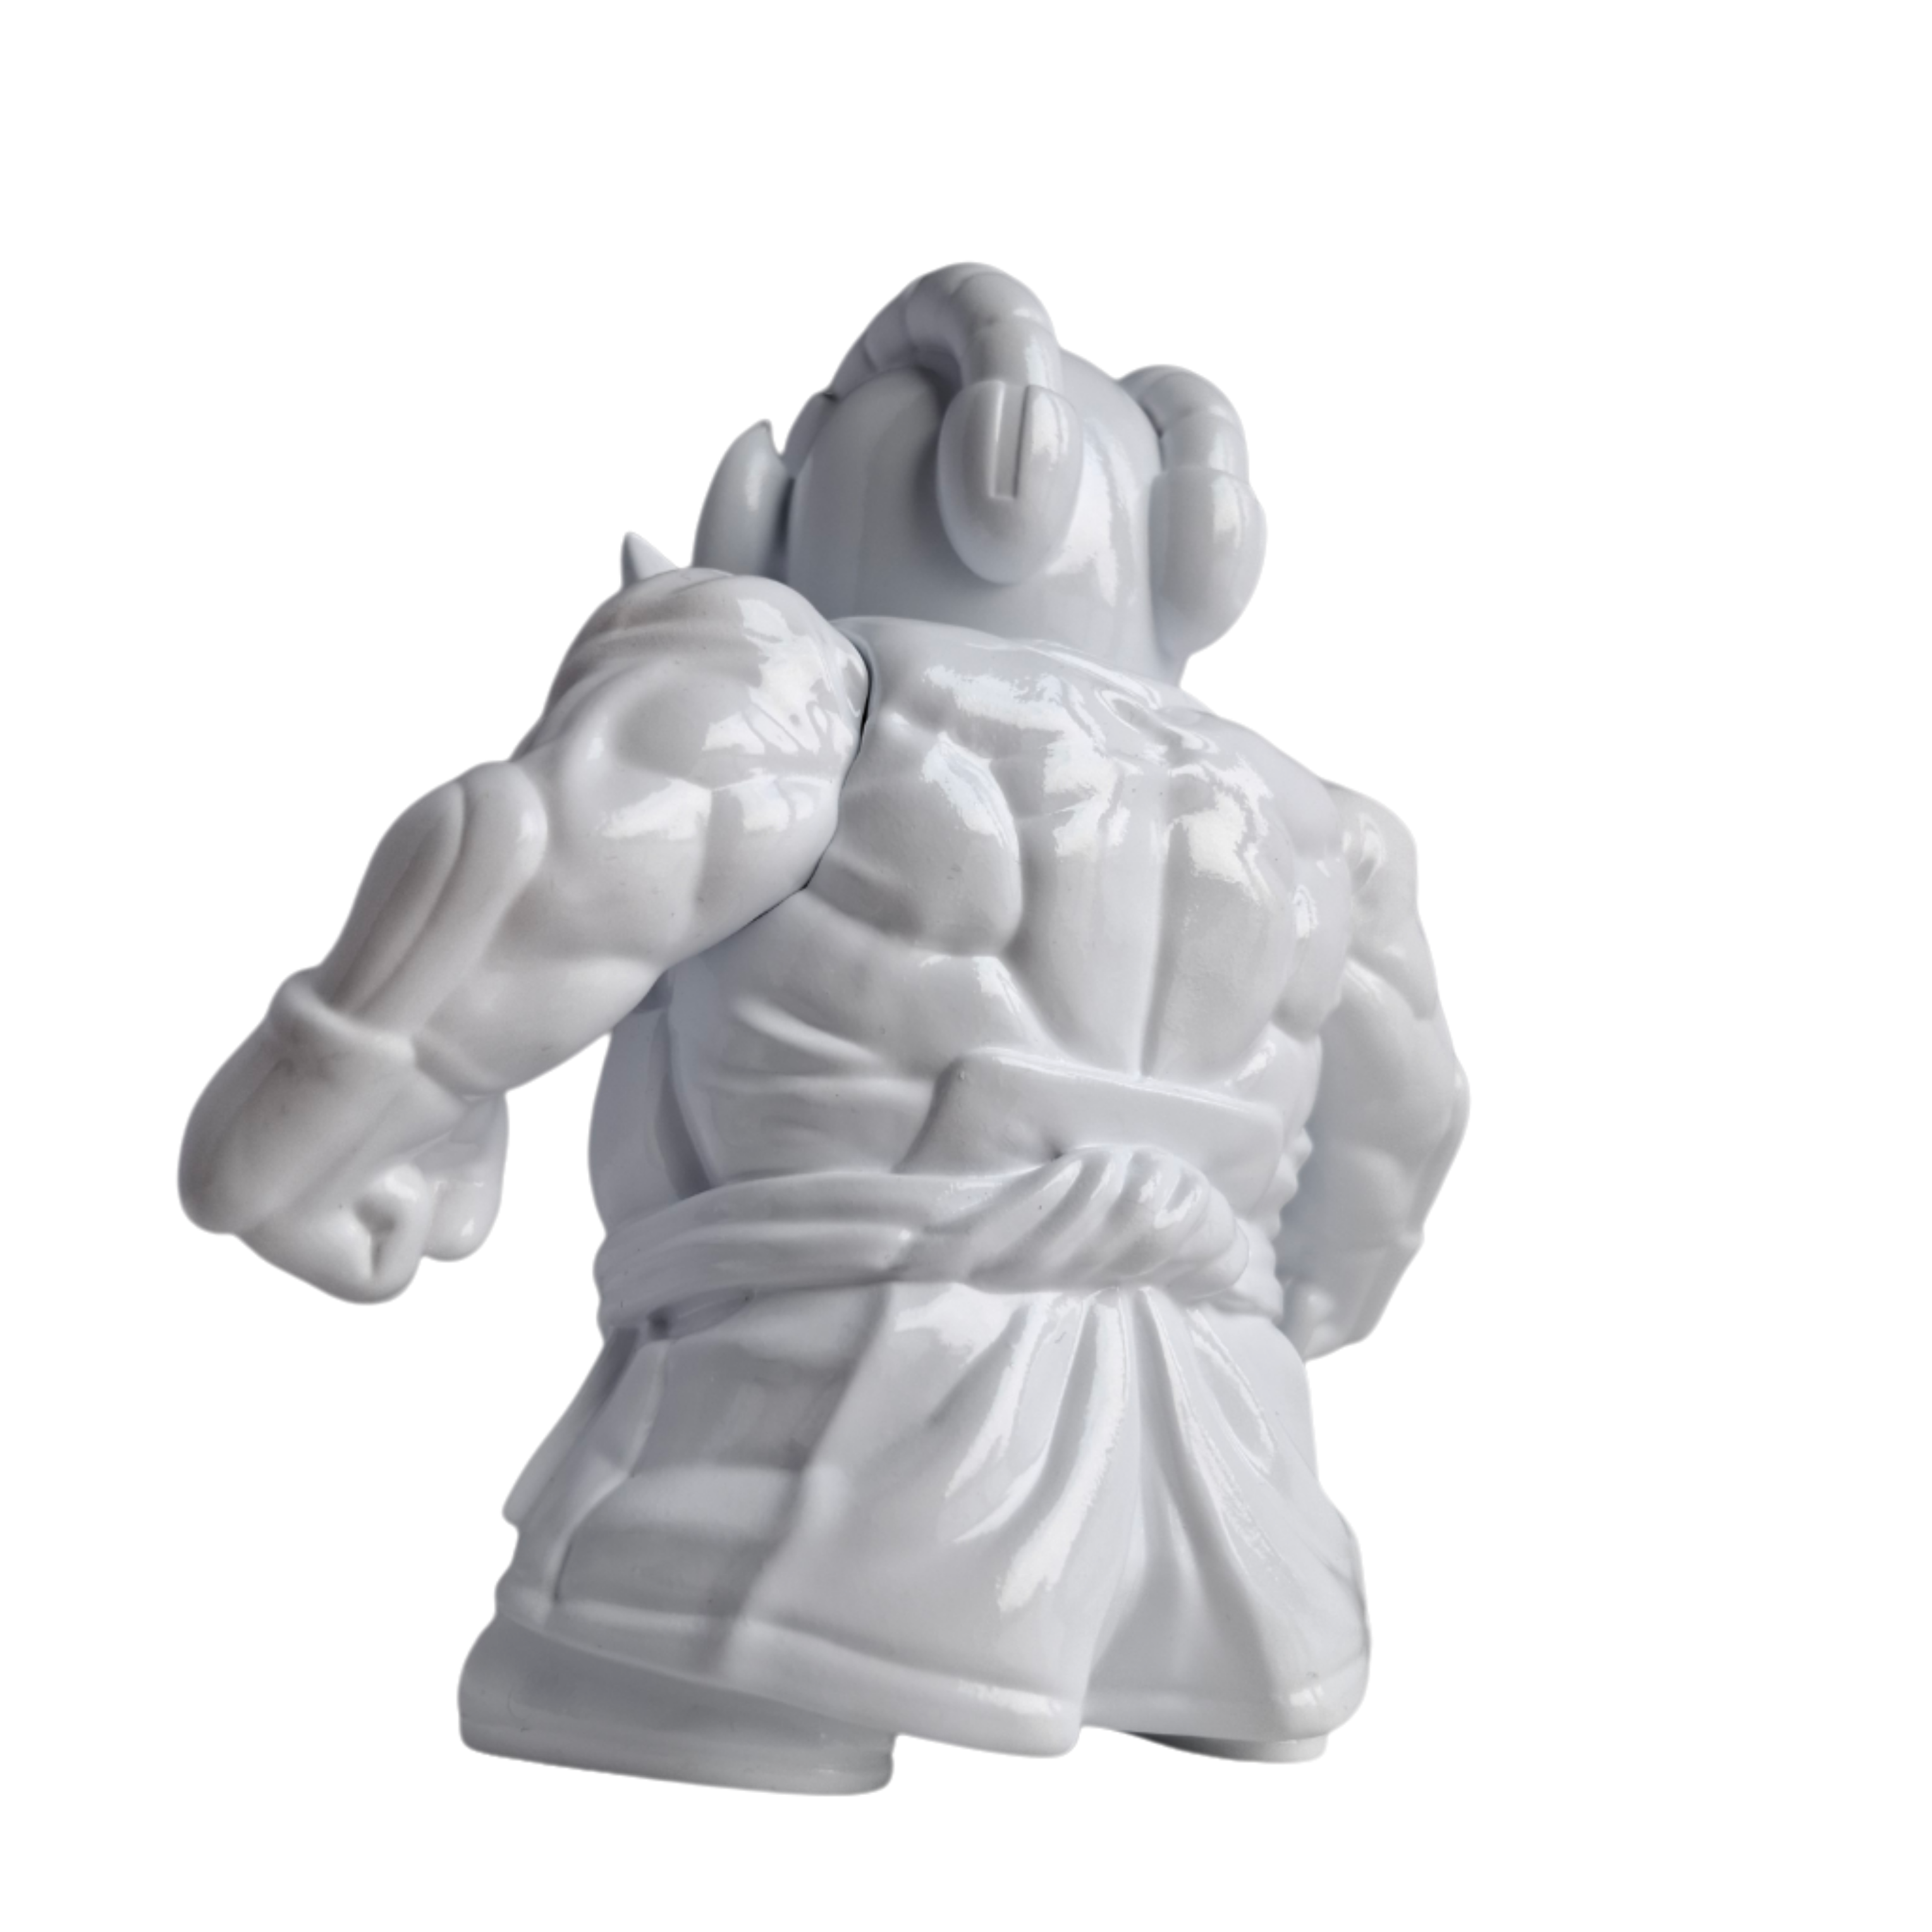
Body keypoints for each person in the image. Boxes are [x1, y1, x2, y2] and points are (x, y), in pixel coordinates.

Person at [176, 263, 1470, 1796]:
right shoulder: (1328, 832)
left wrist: (315, 1125)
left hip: (808, 1438)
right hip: (1234, 1477)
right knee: (1245, 1675)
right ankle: (1201, 1667)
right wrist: (1309, 1296)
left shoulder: (807, 685)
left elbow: (539, 876)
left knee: (644, 1692)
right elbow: (1399, 1133)